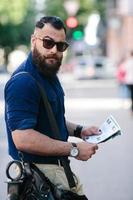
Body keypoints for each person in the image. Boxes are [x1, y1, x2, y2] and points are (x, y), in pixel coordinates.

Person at [4, 16, 99, 198]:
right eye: (48, 43)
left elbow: (50, 118)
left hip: (56, 172)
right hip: (39, 179)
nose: (54, 50)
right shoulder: (24, 81)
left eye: (61, 46)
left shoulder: (47, 72)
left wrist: (80, 130)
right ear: (34, 41)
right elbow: (23, 138)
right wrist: (74, 149)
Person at [124, 50, 133, 116]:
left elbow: (124, 70)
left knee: (131, 96)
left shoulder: (128, 62)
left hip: (129, 81)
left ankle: (131, 111)